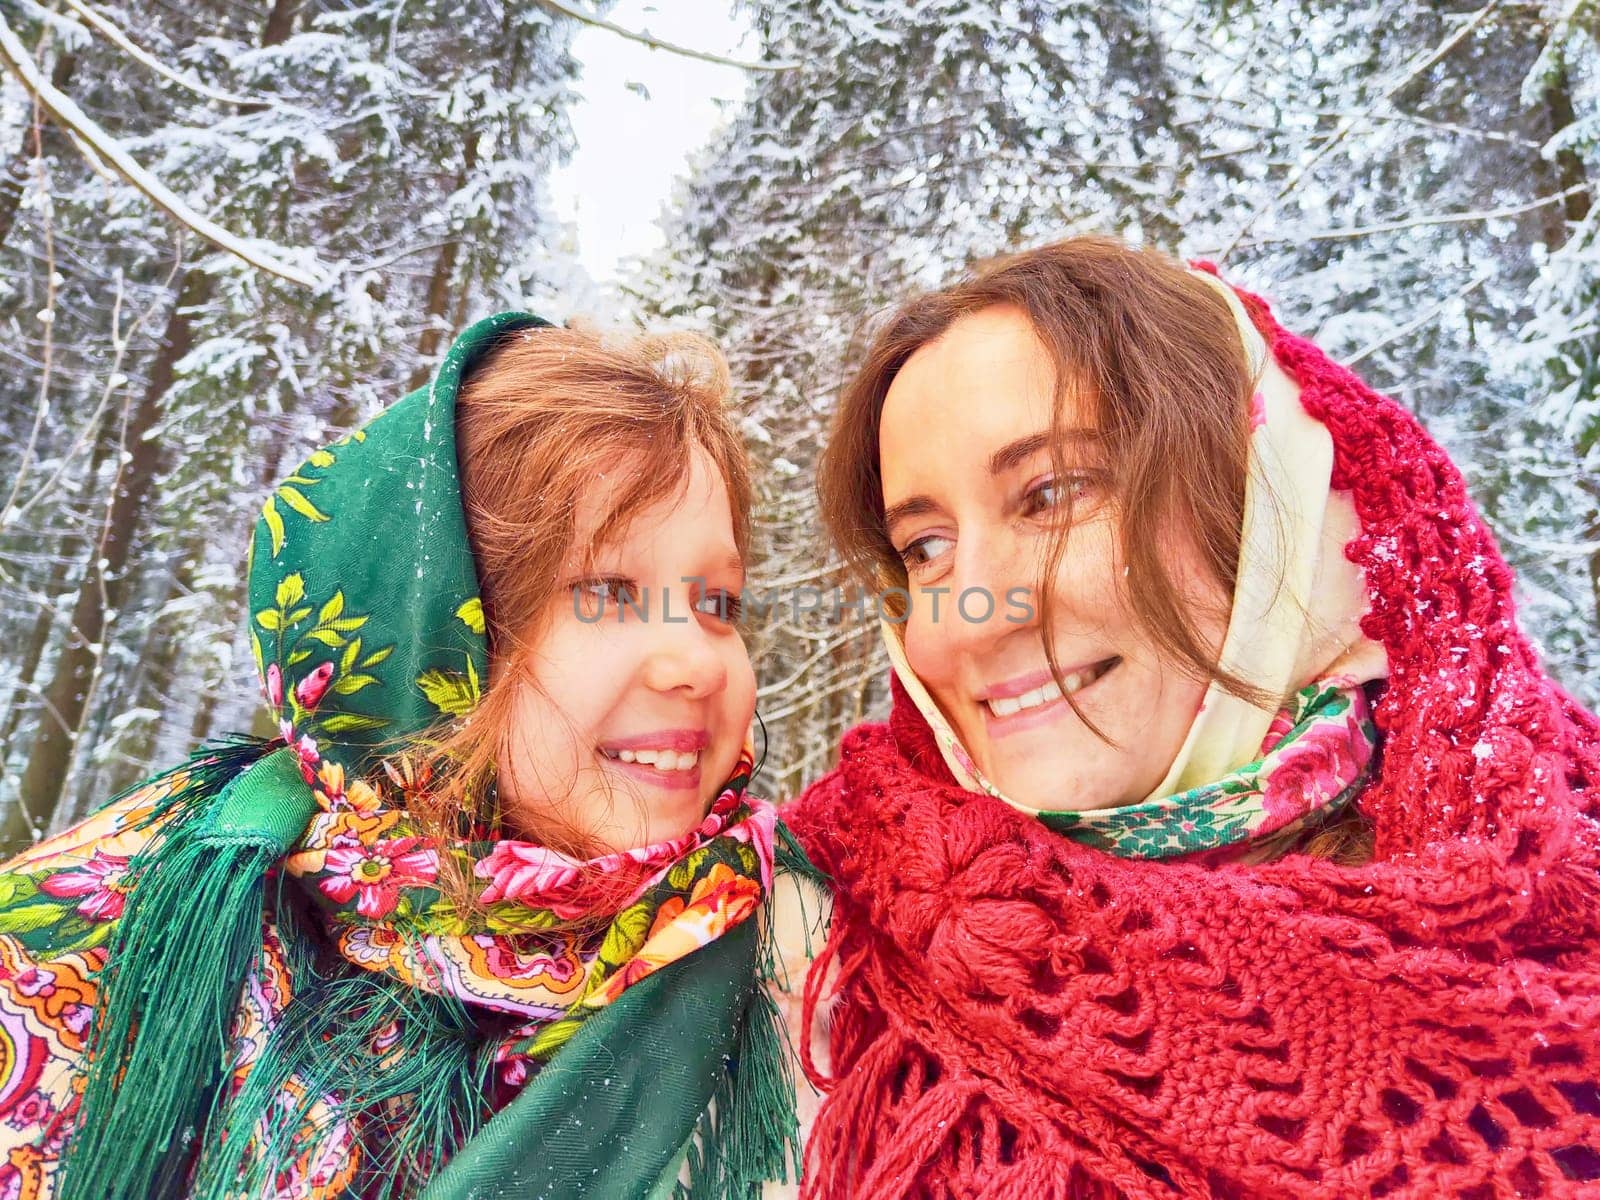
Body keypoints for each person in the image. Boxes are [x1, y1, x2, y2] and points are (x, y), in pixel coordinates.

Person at [787, 235, 1600, 1197]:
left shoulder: (1556, 901)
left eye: (1051, 494)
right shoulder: (812, 949)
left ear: (1270, 507)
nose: (973, 613)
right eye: (924, 545)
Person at [0, 312, 816, 1199]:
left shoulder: (804, 972)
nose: (698, 662)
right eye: (607, 591)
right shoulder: (120, 932)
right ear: (427, 633)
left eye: (719, 604)